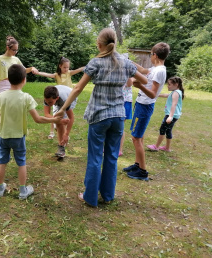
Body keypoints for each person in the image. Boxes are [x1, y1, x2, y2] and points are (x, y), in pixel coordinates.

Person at [54, 28, 147, 207]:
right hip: (118, 116)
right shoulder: (126, 62)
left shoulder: (96, 62)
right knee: (111, 157)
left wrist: (63, 109)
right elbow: (143, 80)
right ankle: (108, 195)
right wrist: (127, 80)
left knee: (96, 157)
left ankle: (90, 197)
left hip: (99, 117)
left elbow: (78, 88)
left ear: (99, 44)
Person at [0, 64, 68, 199]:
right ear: (24, 80)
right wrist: (55, 121)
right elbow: (38, 119)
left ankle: (0, 188)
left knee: (1, 162)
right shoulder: (26, 97)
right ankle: (22, 191)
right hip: (18, 137)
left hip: (3, 136)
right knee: (21, 163)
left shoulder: (1, 96)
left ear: (8, 79)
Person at [123, 42, 170, 181]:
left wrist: (139, 86)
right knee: (139, 137)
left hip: (145, 106)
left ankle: (142, 171)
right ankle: (137, 165)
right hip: (141, 104)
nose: (150, 56)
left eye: (150, 54)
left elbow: (153, 94)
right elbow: (143, 71)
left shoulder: (160, 71)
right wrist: (129, 62)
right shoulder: (156, 69)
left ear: (154, 55)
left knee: (136, 138)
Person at [0, 36, 38, 142]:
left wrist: (32, 68)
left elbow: (24, 70)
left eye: (17, 50)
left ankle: (15, 131)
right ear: (7, 48)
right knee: (0, 110)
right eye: (14, 50)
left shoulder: (16, 59)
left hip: (15, 85)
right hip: (3, 85)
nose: (15, 52)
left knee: (14, 108)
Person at [36, 57, 85, 139]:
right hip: (55, 97)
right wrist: (38, 73)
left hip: (68, 97)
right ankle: (53, 132)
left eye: (67, 67)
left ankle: (64, 134)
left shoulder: (69, 73)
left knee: (63, 116)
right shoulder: (56, 75)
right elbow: (47, 74)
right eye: (64, 67)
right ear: (60, 66)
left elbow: (79, 69)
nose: (66, 69)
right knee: (55, 117)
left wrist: (88, 66)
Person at [146, 76, 184, 152]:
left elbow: (174, 104)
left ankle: (156, 146)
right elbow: (166, 95)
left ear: (176, 85)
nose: (168, 86)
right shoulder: (176, 92)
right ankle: (167, 148)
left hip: (171, 115)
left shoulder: (176, 93)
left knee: (162, 129)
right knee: (168, 130)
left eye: (169, 84)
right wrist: (156, 94)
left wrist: (170, 116)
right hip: (175, 115)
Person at [43, 85, 77, 157]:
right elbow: (46, 114)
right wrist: (59, 121)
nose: (48, 104)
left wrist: (66, 134)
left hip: (71, 97)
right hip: (58, 98)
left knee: (59, 122)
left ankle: (61, 149)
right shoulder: (48, 99)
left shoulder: (65, 100)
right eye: (47, 101)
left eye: (50, 102)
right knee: (58, 123)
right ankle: (63, 137)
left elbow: (71, 118)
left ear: (57, 98)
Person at [119, 77, 133, 157]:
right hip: (115, 99)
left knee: (120, 126)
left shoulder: (130, 70)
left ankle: (119, 149)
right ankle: (110, 146)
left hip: (125, 101)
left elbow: (129, 84)